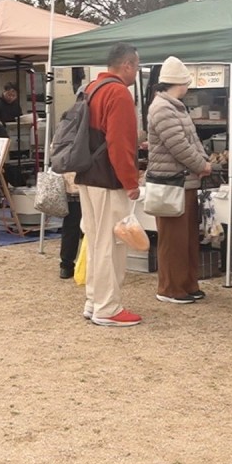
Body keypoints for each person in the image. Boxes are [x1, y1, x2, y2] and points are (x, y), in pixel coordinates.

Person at [77, 44, 143, 327]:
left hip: (87, 174)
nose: (137, 73)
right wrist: (131, 181)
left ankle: (95, 301)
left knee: (95, 239)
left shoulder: (91, 88)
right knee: (111, 243)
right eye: (137, 67)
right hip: (108, 178)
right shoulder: (118, 93)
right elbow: (120, 143)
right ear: (127, 65)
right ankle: (107, 307)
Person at [146, 56, 212, 305]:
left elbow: (186, 143)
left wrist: (201, 163)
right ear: (180, 83)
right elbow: (179, 146)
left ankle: (186, 284)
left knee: (185, 238)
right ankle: (170, 288)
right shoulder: (163, 108)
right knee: (173, 239)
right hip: (172, 182)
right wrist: (202, 164)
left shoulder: (171, 106)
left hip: (183, 181)